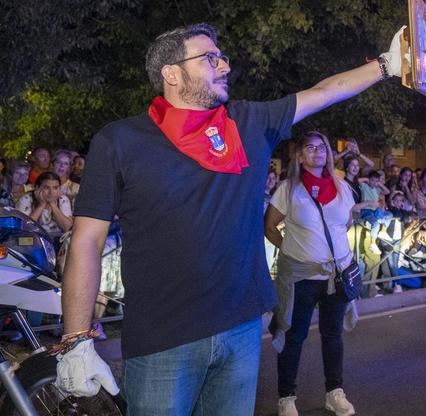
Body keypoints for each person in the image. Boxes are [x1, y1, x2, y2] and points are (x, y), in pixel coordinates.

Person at [57, 22, 405, 415]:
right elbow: (86, 241)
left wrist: (386, 65)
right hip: (162, 341)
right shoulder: (119, 141)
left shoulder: (248, 123)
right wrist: (75, 342)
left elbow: (325, 92)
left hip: (240, 329)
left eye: (222, 57)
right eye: (209, 58)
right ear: (171, 73)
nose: (223, 66)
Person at [264, 131, 357, 416]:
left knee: (333, 335)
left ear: (329, 154)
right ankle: (286, 397)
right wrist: (294, 249)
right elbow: (269, 227)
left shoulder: (342, 187)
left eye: (322, 148)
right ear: (300, 155)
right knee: (294, 335)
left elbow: (345, 225)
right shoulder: (288, 189)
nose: (317, 152)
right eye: (310, 148)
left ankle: (334, 392)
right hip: (301, 276)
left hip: (337, 274)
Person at [16, 171, 73, 244]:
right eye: (46, 188)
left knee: (71, 239)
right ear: (37, 187)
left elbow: (67, 228)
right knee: (20, 241)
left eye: (55, 188)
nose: (51, 192)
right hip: (33, 238)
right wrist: (41, 205)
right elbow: (25, 228)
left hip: (57, 240)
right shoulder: (26, 199)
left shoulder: (63, 200)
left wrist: (53, 204)